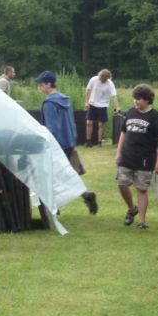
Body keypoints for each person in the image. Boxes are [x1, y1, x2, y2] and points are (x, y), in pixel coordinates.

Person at [35, 70, 98, 215]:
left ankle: (54, 207)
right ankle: (86, 196)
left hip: (57, 145)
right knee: (65, 174)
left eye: (40, 84)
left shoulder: (49, 104)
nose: (39, 87)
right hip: (69, 143)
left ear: (48, 84)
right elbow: (71, 123)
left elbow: (53, 128)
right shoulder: (65, 100)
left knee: (50, 175)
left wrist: (47, 145)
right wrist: (72, 141)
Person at [115, 84, 158, 230]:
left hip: (145, 158)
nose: (135, 102)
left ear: (147, 100)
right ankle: (132, 208)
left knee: (142, 189)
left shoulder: (156, 117)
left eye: (138, 99)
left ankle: (141, 222)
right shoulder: (131, 112)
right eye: (135, 99)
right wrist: (118, 152)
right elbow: (123, 133)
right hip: (127, 155)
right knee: (122, 183)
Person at [84, 68, 121, 147]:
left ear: (107, 78)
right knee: (88, 123)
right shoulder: (93, 79)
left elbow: (114, 96)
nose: (101, 79)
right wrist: (86, 103)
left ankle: (99, 142)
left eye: (103, 78)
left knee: (101, 124)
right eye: (100, 77)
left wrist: (117, 107)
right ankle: (88, 141)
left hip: (103, 105)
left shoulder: (110, 84)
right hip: (92, 103)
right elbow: (87, 90)